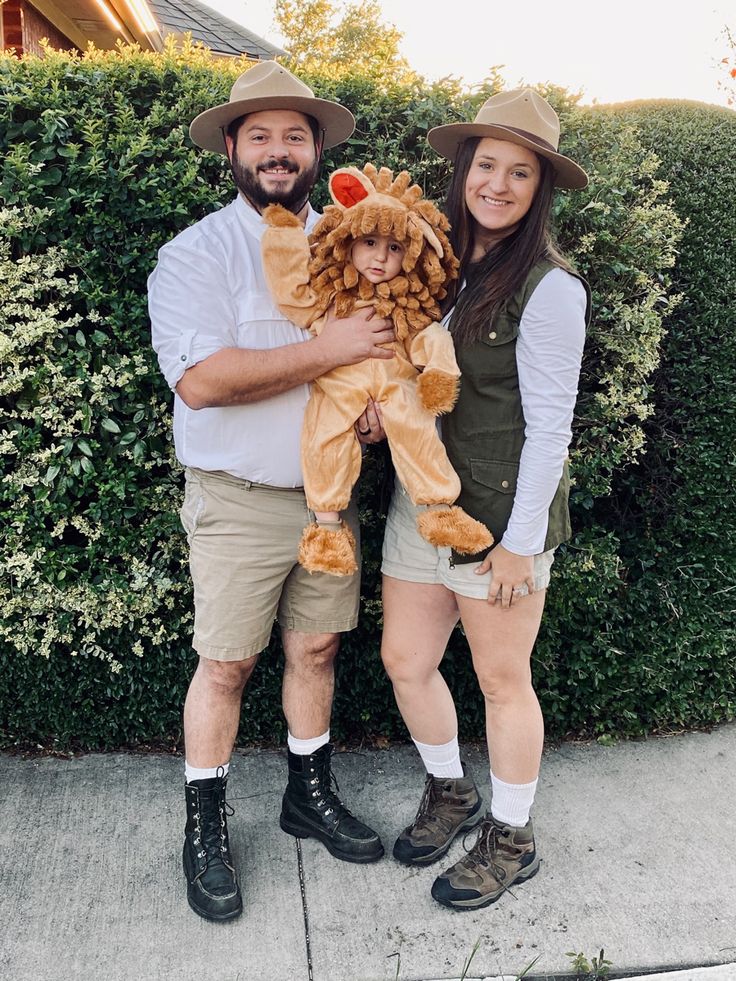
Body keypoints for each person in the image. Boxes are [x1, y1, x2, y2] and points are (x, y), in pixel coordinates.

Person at [148, 61, 394, 924]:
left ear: (318, 148)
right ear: (231, 147)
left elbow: (384, 357)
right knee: (225, 665)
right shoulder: (196, 253)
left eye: (295, 135)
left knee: (318, 652)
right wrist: (328, 350)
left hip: (330, 499)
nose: (278, 150)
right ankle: (205, 823)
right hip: (239, 497)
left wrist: (374, 409)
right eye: (260, 135)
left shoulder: (355, 241)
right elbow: (205, 381)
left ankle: (307, 795)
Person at [379, 88, 591, 911]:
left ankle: (513, 836)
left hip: (503, 518)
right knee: (406, 659)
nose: (499, 184)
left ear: (540, 189)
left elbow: (550, 430)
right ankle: (451, 789)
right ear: (464, 170)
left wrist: (518, 542)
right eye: (488, 165)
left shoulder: (550, 289)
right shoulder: (438, 266)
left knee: (503, 682)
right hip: (422, 505)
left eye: (521, 172)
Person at [259, 163, 492, 576]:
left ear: (416, 254)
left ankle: (440, 509)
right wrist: (283, 236)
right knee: (323, 438)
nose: (381, 257)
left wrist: (438, 372)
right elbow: (293, 295)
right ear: (347, 241)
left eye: (396, 248)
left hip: (395, 385)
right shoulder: (331, 296)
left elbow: (430, 337)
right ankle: (327, 529)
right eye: (369, 241)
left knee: (416, 428)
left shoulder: (408, 305)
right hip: (337, 386)